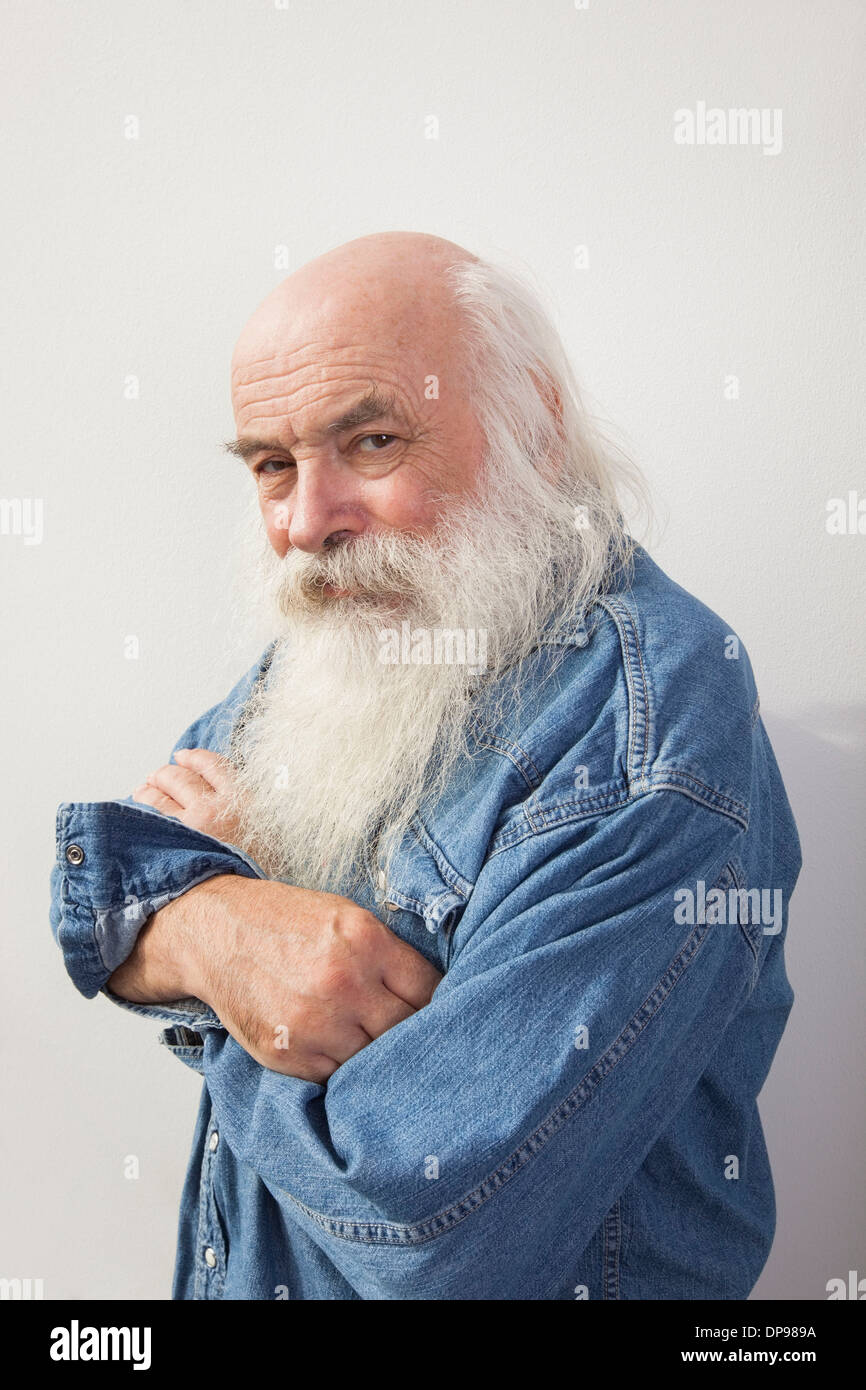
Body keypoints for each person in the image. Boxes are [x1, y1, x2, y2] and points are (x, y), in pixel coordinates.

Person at [50, 231, 802, 1300]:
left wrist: (216, 979)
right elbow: (101, 881)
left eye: (369, 441)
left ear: (534, 427)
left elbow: (430, 1235)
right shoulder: (351, 637)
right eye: (272, 464)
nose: (308, 524)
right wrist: (217, 931)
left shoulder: (649, 731)